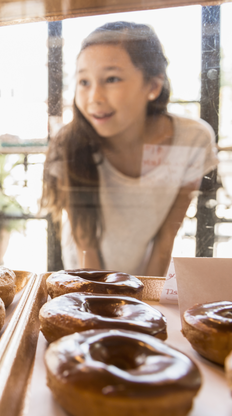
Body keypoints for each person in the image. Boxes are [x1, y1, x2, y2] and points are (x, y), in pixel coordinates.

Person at [40, 21, 218, 276]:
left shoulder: (191, 140)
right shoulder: (69, 142)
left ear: (153, 86)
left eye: (111, 79)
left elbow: (166, 235)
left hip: (145, 271)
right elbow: (85, 239)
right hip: (87, 273)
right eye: (84, 81)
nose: (94, 97)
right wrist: (102, 302)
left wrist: (146, 300)